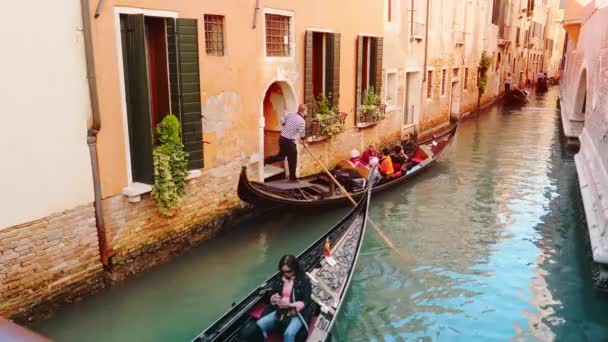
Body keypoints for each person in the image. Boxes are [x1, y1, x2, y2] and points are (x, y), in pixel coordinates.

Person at [256, 255, 311, 342]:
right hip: (280, 311)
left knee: (288, 334)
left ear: (295, 269)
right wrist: (273, 298)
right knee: (259, 325)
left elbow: (306, 301)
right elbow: (273, 293)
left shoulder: (304, 281)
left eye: (289, 271)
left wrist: (290, 305)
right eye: (283, 271)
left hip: (297, 313)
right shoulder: (279, 279)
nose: (286, 274)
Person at [264, 104, 307, 181]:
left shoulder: (290, 114)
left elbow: (282, 121)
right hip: (289, 141)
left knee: (281, 156)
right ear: (304, 111)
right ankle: (292, 178)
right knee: (293, 160)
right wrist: (304, 142)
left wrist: (287, 126)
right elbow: (302, 135)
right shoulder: (302, 121)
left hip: (282, 138)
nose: (306, 113)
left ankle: (266, 160)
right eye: (306, 111)